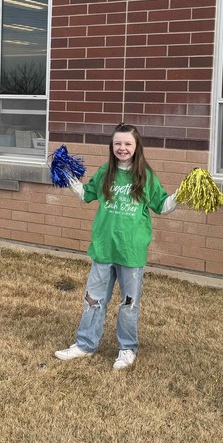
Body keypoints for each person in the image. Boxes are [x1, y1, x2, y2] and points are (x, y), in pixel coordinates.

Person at [54, 124, 177, 371]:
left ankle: (127, 348)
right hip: (104, 248)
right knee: (93, 299)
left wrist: (182, 196)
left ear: (136, 147)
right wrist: (67, 177)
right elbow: (86, 194)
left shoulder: (146, 176)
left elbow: (162, 206)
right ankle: (85, 344)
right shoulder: (105, 172)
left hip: (131, 252)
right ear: (112, 146)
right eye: (117, 143)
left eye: (128, 144)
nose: (122, 148)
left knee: (129, 302)